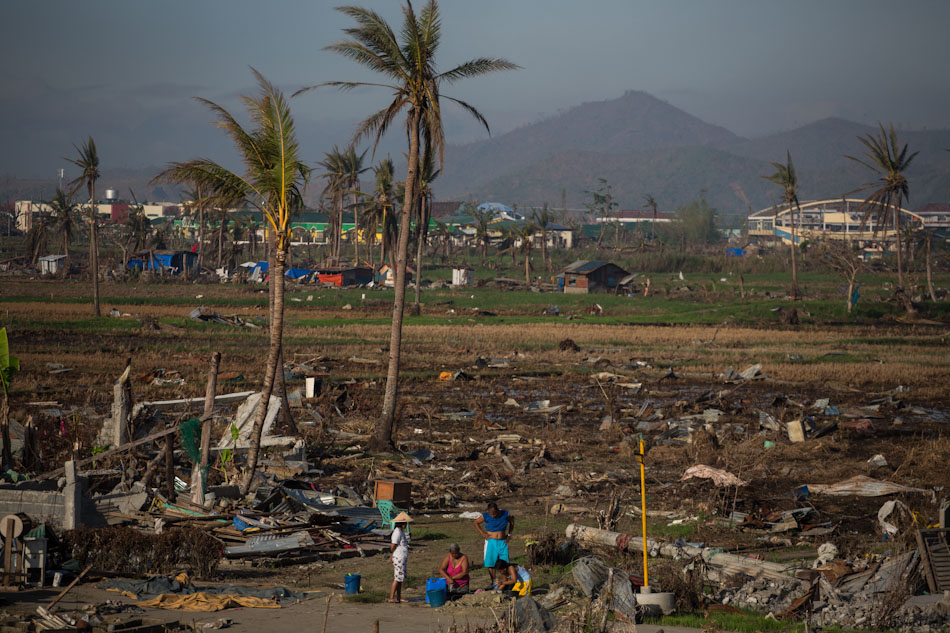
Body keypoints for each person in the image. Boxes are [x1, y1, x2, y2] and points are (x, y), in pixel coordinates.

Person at [473, 502, 514, 586]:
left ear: (497, 511)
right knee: (491, 563)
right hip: (491, 541)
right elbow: (476, 522)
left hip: (502, 541)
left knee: (505, 563)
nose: (492, 515)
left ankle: (505, 583)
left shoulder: (505, 514)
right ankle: (494, 582)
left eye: (494, 514)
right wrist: (483, 533)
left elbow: (512, 522)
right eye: (491, 514)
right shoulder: (485, 516)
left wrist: (509, 535)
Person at [388, 511, 411, 603]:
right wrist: (392, 554)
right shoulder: (397, 532)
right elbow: (393, 545)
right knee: (397, 578)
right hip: (399, 558)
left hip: (401, 557)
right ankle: (391, 598)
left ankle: (398, 597)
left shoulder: (400, 532)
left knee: (400, 578)